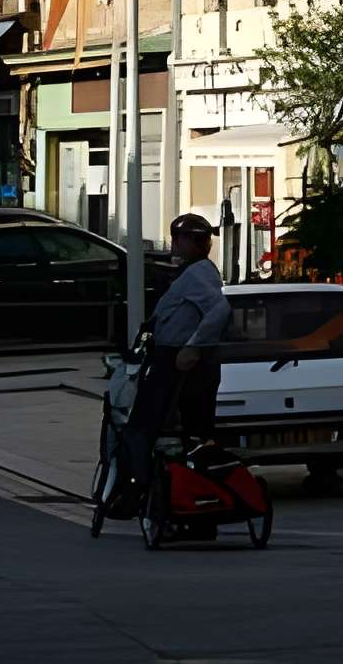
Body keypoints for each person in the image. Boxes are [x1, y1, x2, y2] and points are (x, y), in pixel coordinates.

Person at [115, 213, 232, 508]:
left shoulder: (199, 273)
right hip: (178, 359)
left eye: (178, 238)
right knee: (189, 432)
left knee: (143, 426)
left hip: (177, 361)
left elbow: (220, 310)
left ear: (190, 241)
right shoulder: (194, 271)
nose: (174, 243)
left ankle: (137, 491)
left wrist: (193, 347)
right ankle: (181, 492)